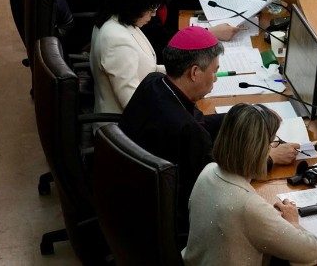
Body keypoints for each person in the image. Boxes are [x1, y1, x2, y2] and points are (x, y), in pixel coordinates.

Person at [117, 27, 300, 231]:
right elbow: (223, 185)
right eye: (214, 71)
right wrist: (270, 158)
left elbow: (199, 120)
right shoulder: (187, 131)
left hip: (128, 197)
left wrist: (247, 117)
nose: (215, 78)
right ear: (195, 72)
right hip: (169, 223)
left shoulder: (155, 82)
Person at [183, 103, 317, 266]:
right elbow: (313, 252)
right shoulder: (248, 206)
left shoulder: (208, 171)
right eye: (272, 142)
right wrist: (292, 222)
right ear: (258, 150)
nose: (272, 147)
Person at [89, 0, 174, 114]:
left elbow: (146, 69)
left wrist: (181, 72)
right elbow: (132, 105)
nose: (154, 14)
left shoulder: (120, 19)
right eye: (152, 8)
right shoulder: (116, 41)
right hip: (123, 129)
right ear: (136, 3)